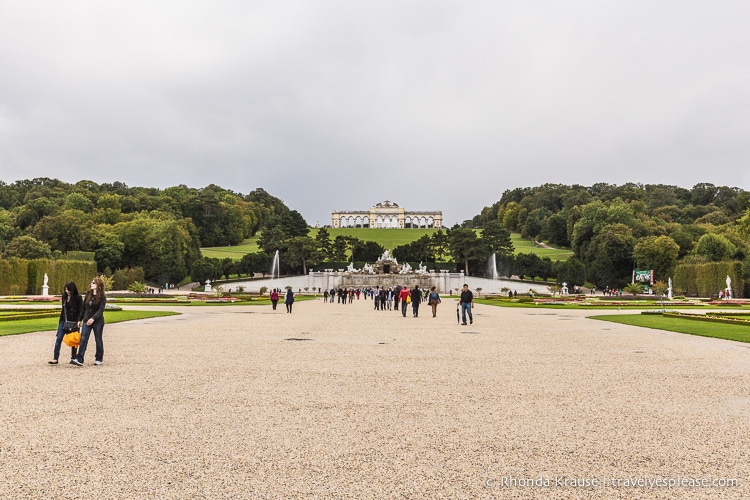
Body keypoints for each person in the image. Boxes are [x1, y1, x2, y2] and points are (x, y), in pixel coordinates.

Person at [72, 276, 107, 366]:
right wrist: (79, 319)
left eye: (93, 282)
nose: (91, 284)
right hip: (87, 320)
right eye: (91, 282)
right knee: (83, 339)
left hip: (98, 321)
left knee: (98, 339)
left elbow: (100, 310)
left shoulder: (102, 296)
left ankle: (99, 358)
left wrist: (93, 318)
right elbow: (83, 308)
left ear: (98, 285)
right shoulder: (88, 294)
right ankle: (80, 359)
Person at [49, 281, 82, 365]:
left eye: (68, 290)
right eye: (66, 290)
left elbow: (80, 310)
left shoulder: (78, 297)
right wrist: (60, 321)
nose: (67, 291)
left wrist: (78, 320)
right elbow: (63, 310)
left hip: (73, 321)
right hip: (64, 320)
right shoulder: (64, 296)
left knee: (74, 340)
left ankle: (74, 357)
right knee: (58, 339)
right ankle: (55, 358)